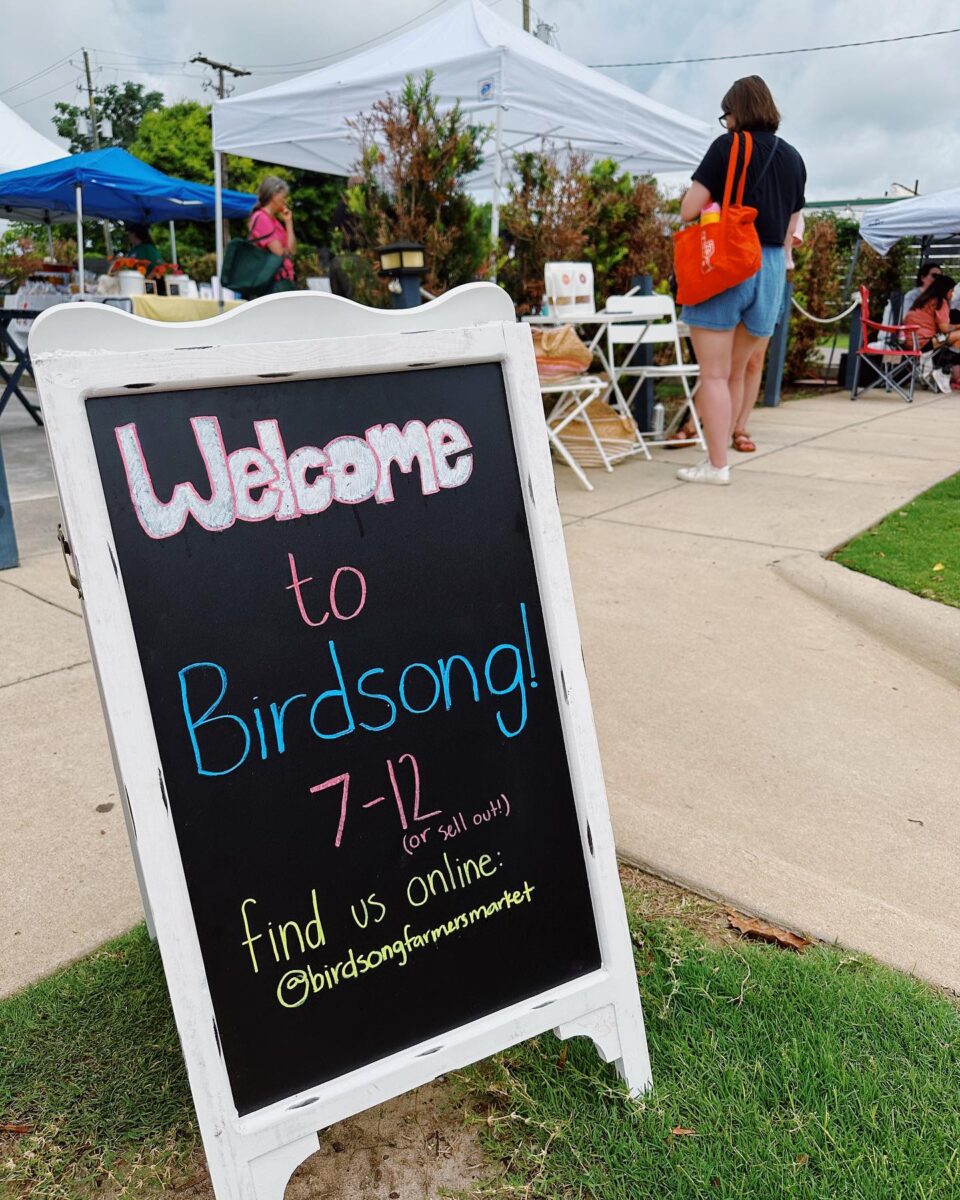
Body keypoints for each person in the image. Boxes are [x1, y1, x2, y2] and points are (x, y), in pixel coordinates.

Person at [675, 76, 806, 484]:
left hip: (726, 261)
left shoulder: (727, 147)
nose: (725, 122)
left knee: (713, 374)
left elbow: (688, 209)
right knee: (735, 371)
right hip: (769, 268)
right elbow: (790, 226)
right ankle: (722, 453)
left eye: (726, 114)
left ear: (736, 111)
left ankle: (716, 465)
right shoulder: (794, 158)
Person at [902, 273, 960, 392]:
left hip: (910, 342)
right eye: (951, 291)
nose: (952, 294)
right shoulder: (940, 302)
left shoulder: (923, 300)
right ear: (945, 290)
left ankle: (946, 371)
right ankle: (945, 371)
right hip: (924, 342)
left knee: (956, 338)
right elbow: (944, 328)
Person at [248, 176, 297, 293]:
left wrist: (288, 222)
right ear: (273, 196)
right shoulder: (261, 218)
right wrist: (286, 251)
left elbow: (292, 250)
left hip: (282, 279)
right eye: (283, 197)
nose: (285, 201)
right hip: (272, 282)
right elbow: (279, 252)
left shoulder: (273, 221)